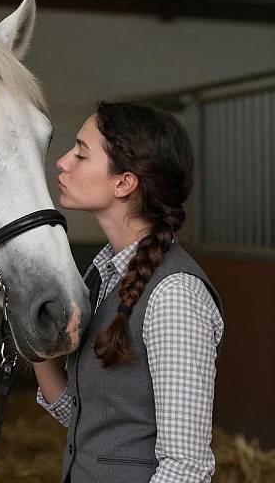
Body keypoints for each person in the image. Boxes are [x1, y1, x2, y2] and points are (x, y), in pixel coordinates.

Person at [33, 101, 224, 483]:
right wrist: (33, 340)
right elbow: (87, 419)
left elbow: (186, 466)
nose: (62, 162)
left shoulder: (175, 294)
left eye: (81, 154)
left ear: (124, 182)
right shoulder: (102, 275)